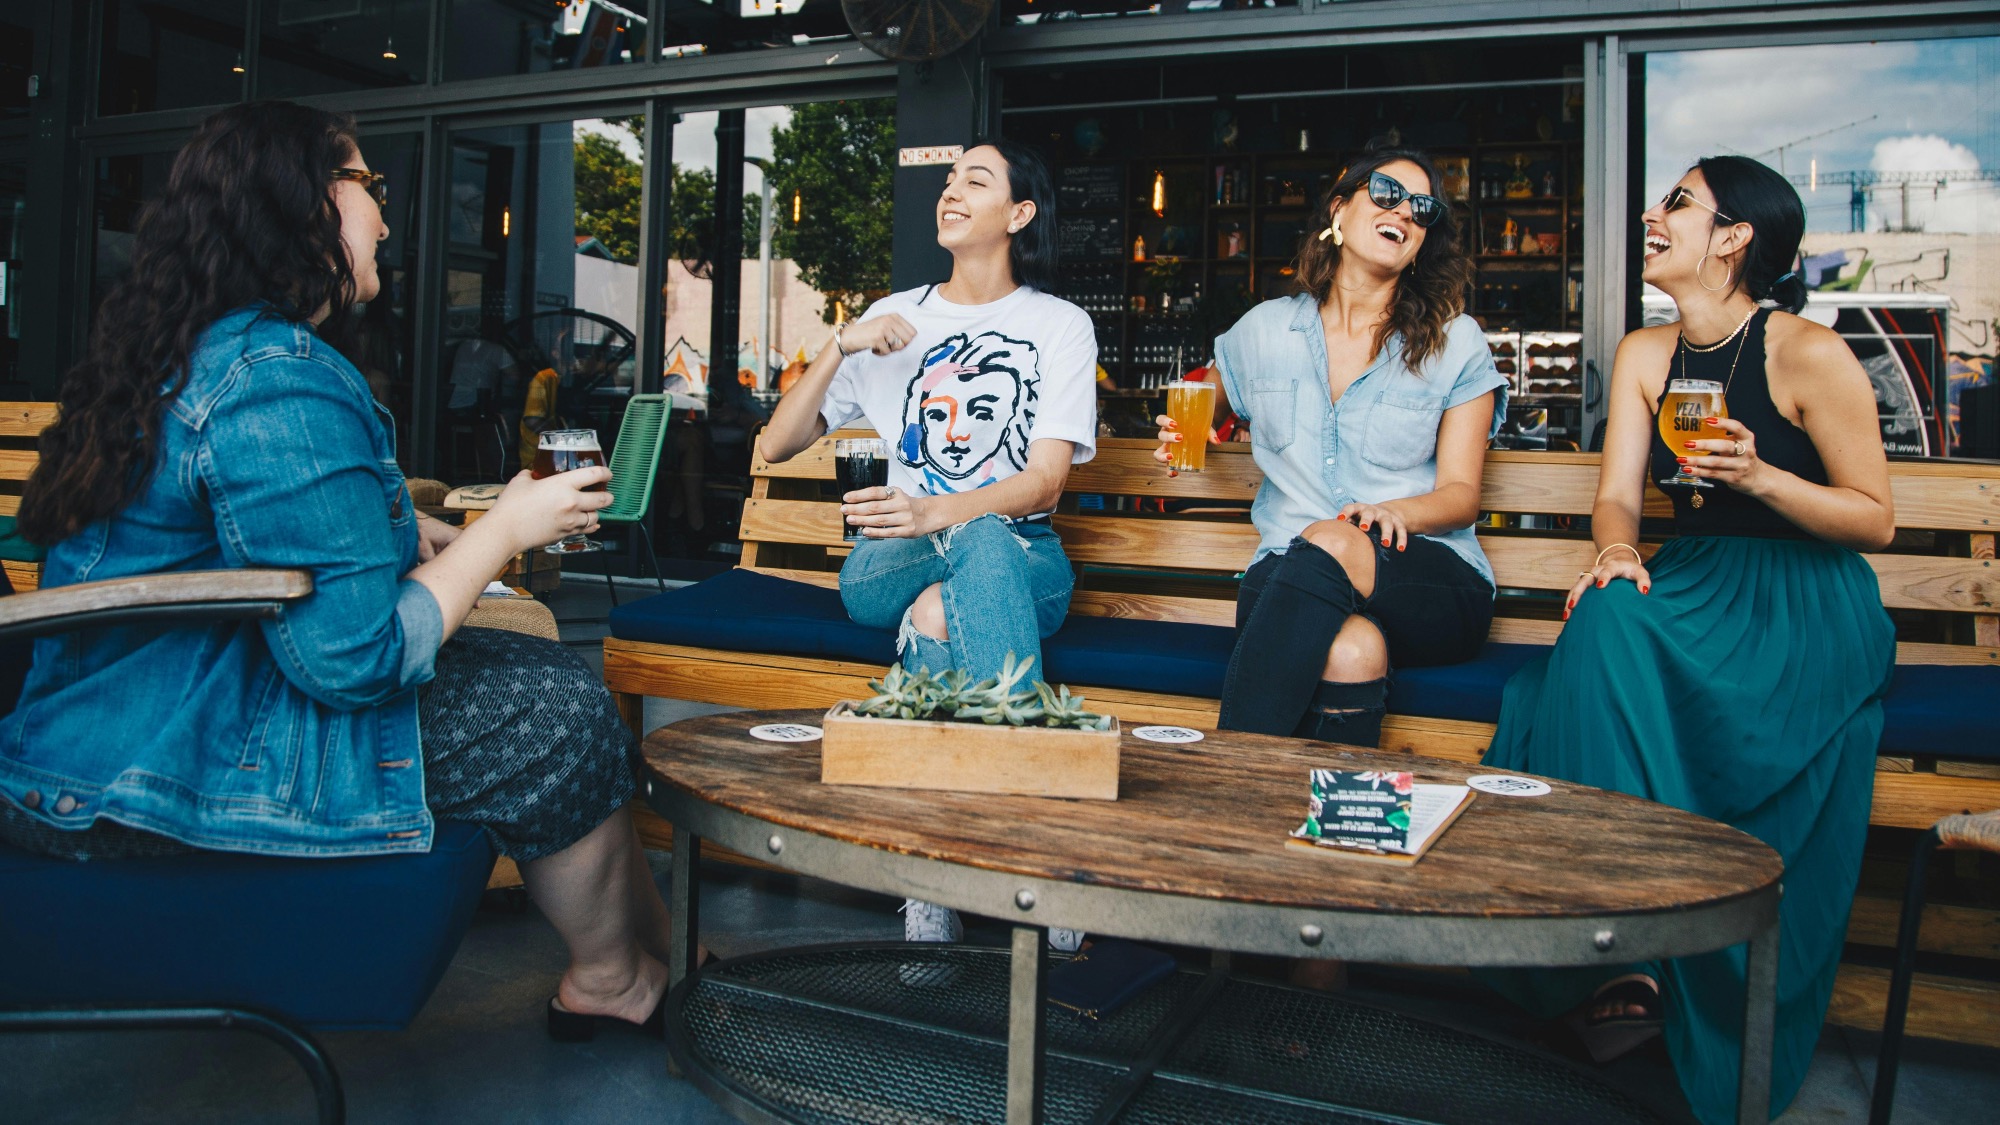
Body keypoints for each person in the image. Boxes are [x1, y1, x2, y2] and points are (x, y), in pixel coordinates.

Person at [0, 101, 685, 1042]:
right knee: (551, 708)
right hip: (147, 763)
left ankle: (662, 956)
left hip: (125, 721)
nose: (388, 219)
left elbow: (252, 540)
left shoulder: (203, 352)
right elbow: (354, 655)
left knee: (537, 677)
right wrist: (504, 529)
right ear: (307, 200)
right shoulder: (274, 377)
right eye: (370, 186)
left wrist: (424, 532)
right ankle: (615, 981)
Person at [1480, 156, 1894, 1124]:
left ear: (1734, 237)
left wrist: (1760, 480)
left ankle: (1655, 951)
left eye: (1675, 203)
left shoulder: (1805, 354)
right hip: (1692, 577)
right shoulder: (1642, 354)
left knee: (1579, 670)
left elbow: (1874, 519)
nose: (1649, 216)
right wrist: (1617, 550)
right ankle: (1614, 944)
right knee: (1603, 612)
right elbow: (1617, 496)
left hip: (1803, 602)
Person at [758, 139, 1097, 949]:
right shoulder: (892, 318)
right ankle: (1033, 846)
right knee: (957, 551)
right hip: (886, 562)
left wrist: (939, 510)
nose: (951, 192)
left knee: (946, 607)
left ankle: (932, 878)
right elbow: (773, 444)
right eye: (947, 180)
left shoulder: (1058, 327)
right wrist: (843, 341)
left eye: (975, 180)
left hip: (1023, 558)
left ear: (1018, 214)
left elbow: (1046, 481)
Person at [1159, 146, 1506, 749]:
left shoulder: (1456, 342)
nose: (1405, 211)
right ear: (1340, 211)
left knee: (1335, 538)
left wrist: (1394, 513)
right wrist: (1181, 431)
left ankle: (1223, 773)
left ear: (1423, 242)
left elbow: (1460, 497)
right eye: (1387, 193)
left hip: (1423, 575)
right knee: (1350, 650)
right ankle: (1330, 827)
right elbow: (1202, 403)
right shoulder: (1263, 331)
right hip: (1290, 575)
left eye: (1422, 209)